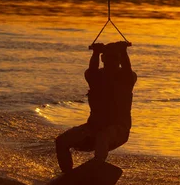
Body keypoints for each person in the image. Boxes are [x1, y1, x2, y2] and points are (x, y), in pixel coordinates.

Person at [55, 41, 137, 173]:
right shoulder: (95, 77)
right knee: (61, 141)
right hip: (92, 128)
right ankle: (67, 176)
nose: (112, 61)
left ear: (120, 59)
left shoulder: (127, 78)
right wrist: (95, 52)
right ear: (103, 59)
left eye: (115, 58)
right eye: (108, 58)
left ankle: (95, 169)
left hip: (119, 131)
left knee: (103, 136)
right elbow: (92, 70)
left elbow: (127, 70)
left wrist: (123, 51)